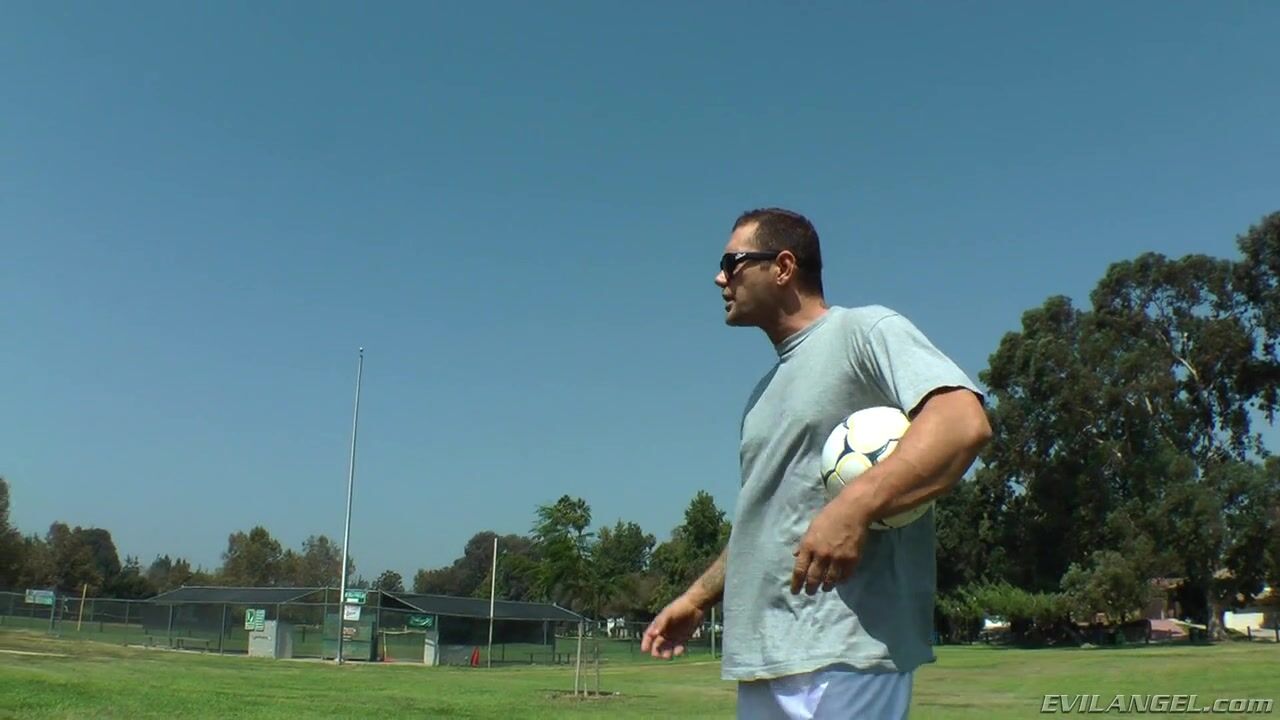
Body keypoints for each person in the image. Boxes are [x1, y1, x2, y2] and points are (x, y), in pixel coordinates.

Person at [641, 208, 992, 719]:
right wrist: (697, 599)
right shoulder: (762, 393)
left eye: (732, 262)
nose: (719, 278)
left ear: (783, 267)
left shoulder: (864, 330)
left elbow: (962, 422)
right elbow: (766, 523)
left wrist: (855, 505)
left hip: (846, 655)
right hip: (766, 660)